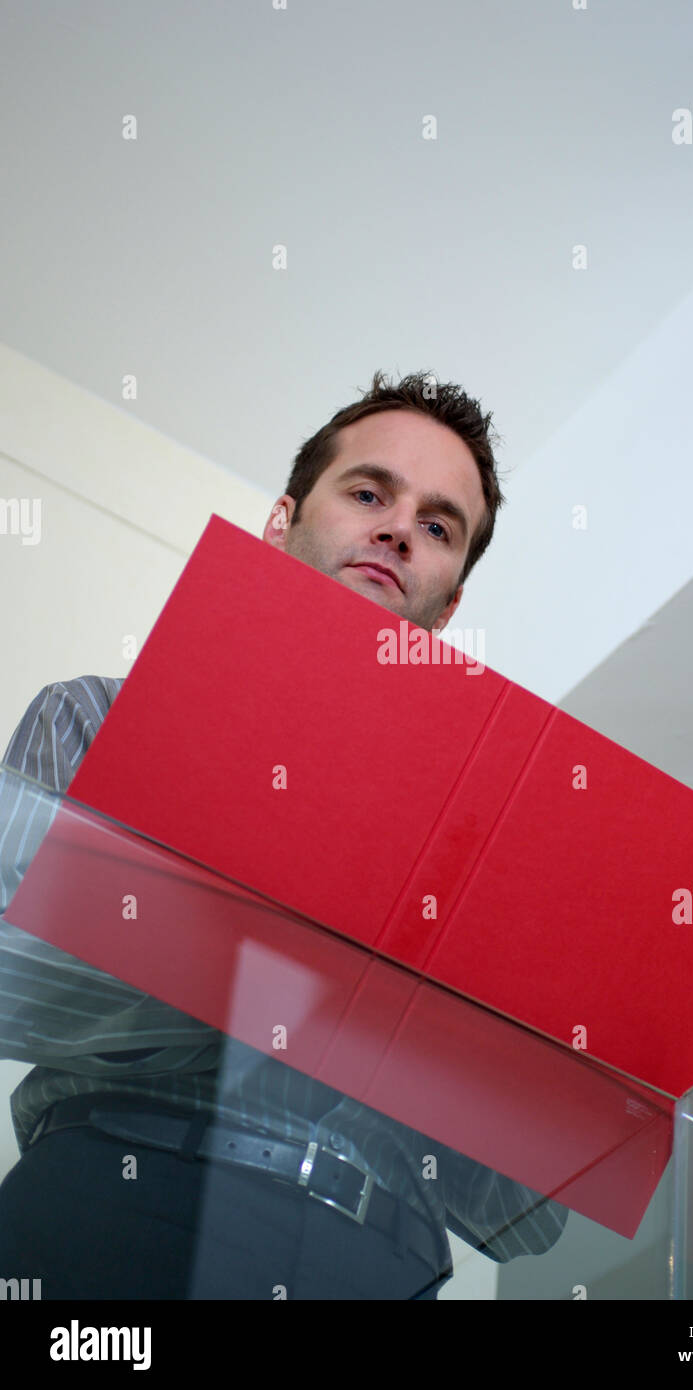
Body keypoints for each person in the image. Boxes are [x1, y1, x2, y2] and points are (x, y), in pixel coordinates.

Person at [0, 370, 567, 1300]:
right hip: (115, 1203)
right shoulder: (97, 720)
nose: (396, 530)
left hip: (376, 1265)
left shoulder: (487, 861)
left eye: (436, 525)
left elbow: (527, 1212)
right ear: (282, 521)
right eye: (368, 493)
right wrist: (329, 980)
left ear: (448, 607)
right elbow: (17, 982)